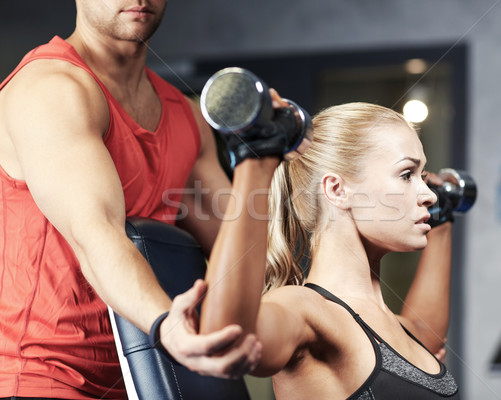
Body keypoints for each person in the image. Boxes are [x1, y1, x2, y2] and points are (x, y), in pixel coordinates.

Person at [0, 1, 263, 398]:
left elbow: (245, 248)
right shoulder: (51, 88)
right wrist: (168, 325)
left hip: (139, 376)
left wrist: (264, 161)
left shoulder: (186, 115)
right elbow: (97, 232)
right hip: (37, 373)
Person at [198, 102, 460, 398]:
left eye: (423, 176)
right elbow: (226, 336)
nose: (428, 195)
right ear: (337, 190)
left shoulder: (395, 326)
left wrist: (443, 223)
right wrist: (255, 164)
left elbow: (424, 327)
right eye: (406, 174)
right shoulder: (304, 310)